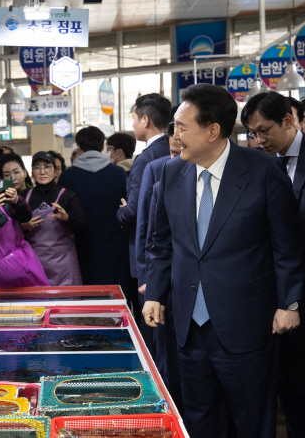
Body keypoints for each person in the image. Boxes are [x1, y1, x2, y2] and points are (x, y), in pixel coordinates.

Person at [143, 83, 304, 438]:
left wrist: (289, 302)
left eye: (182, 127)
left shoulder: (261, 171)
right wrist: (154, 292)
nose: (174, 135)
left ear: (213, 130)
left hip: (246, 322)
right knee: (200, 419)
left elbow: (287, 245)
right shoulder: (170, 173)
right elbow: (161, 243)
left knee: (251, 420)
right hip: (188, 326)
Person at [241, 91, 305, 438]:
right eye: (252, 134)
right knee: (291, 386)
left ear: (289, 120)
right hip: (275, 297)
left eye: (264, 131)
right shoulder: (261, 165)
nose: (258, 140)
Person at [135, 119, 183, 414]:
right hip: (165, 275)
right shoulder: (158, 168)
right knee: (167, 354)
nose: (179, 139)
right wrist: (148, 279)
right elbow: (148, 230)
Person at [117, 94, 171, 315]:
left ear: (145, 120)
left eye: (134, 119)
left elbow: (135, 210)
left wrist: (122, 212)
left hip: (149, 253)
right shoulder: (175, 150)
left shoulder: (146, 159)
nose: (132, 125)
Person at [58, 126, 128, 289]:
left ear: (79, 147)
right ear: (103, 146)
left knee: (86, 298)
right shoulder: (118, 174)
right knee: (115, 298)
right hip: (115, 247)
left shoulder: (67, 177)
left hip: (80, 248)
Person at [21, 152, 88, 286]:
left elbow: (83, 228)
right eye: (37, 167)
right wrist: (24, 226)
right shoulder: (23, 197)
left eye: (47, 167)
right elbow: (10, 232)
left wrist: (67, 219)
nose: (42, 171)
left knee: (65, 306)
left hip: (64, 268)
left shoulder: (68, 196)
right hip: (33, 264)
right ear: (32, 171)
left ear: (55, 171)